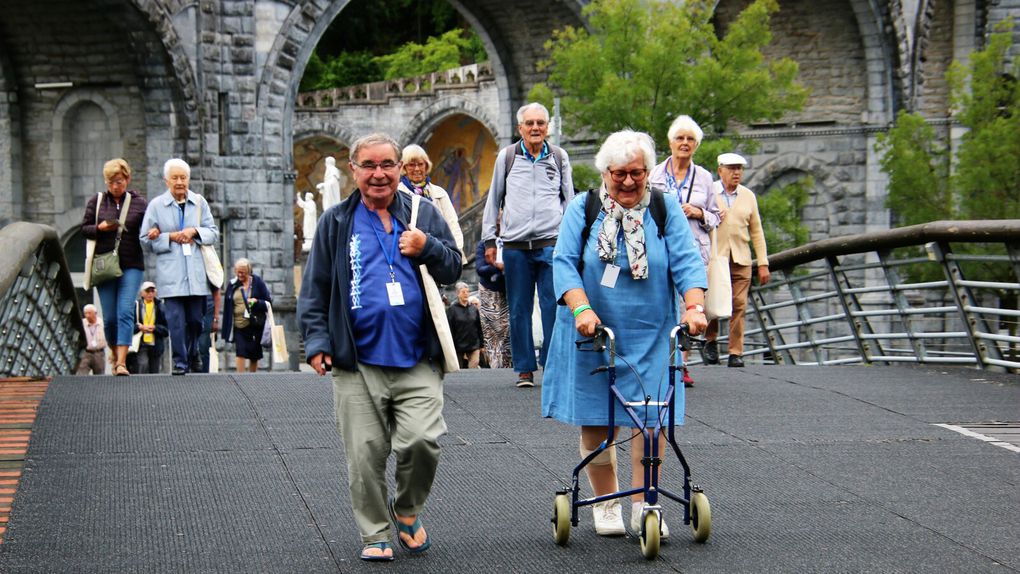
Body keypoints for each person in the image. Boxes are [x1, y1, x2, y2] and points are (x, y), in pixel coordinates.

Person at [298, 133, 461, 562]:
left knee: (423, 441)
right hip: (358, 362)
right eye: (368, 165)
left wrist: (427, 247)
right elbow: (315, 289)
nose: (379, 174)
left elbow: (454, 264)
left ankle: (407, 511)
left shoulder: (422, 212)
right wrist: (316, 342)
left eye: (387, 164)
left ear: (399, 167)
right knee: (365, 454)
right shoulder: (335, 221)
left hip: (417, 357)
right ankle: (374, 532)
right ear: (353, 170)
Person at [541, 130, 708, 538]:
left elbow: (687, 263)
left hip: (651, 331)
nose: (629, 182)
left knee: (650, 420)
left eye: (637, 173)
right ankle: (606, 504)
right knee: (598, 421)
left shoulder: (665, 210)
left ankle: (645, 505)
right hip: (593, 330)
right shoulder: (583, 209)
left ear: (649, 171)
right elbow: (563, 263)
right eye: (620, 174)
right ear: (605, 172)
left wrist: (695, 307)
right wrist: (581, 307)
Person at [481, 102, 574, 388]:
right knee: (519, 308)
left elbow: (569, 200)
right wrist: (488, 239)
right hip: (515, 245)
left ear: (548, 127)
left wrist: (572, 240)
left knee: (553, 306)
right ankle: (524, 368)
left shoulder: (559, 157)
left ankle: (551, 363)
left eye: (540, 123)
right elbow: (493, 198)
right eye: (530, 123)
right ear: (520, 128)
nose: (535, 128)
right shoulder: (507, 157)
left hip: (551, 243)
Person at [649, 115, 722, 387]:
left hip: (692, 249)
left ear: (696, 145)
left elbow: (716, 216)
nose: (684, 143)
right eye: (680, 138)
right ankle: (662, 361)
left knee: (689, 307)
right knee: (659, 304)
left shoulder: (704, 177)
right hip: (658, 247)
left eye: (690, 139)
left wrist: (698, 212)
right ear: (670, 142)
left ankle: (683, 363)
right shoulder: (654, 174)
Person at [140, 158, 220, 376]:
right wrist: (169, 236)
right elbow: (145, 239)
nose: (179, 182)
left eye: (183, 177)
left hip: (196, 273)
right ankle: (180, 362)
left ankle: (192, 351)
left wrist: (195, 232)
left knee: (195, 321)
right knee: (175, 321)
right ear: (166, 181)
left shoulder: (199, 202)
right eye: (174, 178)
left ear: (188, 179)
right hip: (171, 274)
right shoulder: (156, 206)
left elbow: (213, 232)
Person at [81, 158, 148, 376]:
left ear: (127, 179)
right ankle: (113, 350)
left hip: (131, 264)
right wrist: (99, 229)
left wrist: (154, 232)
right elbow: (85, 229)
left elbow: (148, 230)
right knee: (109, 318)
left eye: (118, 181)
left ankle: (121, 362)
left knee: (125, 311)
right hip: (105, 266)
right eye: (110, 182)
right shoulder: (97, 201)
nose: (115, 186)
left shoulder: (140, 203)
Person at [704, 153, 771, 368]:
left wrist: (763, 263)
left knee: (739, 304)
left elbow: (757, 231)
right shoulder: (710, 191)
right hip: (718, 257)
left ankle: (735, 352)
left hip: (741, 257)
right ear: (720, 169)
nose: (737, 173)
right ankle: (710, 341)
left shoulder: (748, 196)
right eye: (732, 168)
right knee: (713, 301)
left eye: (740, 169)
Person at [397, 144, 464, 254]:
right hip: (408, 255)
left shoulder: (439, 193)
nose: (417, 169)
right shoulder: (397, 193)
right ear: (404, 168)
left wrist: (456, 252)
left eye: (420, 164)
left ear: (426, 166)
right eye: (412, 165)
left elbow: (452, 224)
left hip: (439, 253)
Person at [221, 258, 273, 372]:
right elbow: (227, 305)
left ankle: (252, 379)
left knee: (254, 354)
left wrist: (256, 301)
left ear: (249, 272)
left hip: (254, 325)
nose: (240, 275)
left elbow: (268, 301)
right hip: (239, 325)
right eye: (238, 272)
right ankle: (240, 379)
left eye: (243, 272)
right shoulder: (233, 284)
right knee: (240, 352)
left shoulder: (257, 282)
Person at [474, 238, 512, 368]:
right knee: (492, 332)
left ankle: (509, 365)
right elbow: (480, 269)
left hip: (508, 291)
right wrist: (499, 267)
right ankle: (496, 366)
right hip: (488, 292)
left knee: (508, 331)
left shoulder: (512, 238)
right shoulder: (483, 244)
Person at [133, 281, 169, 374]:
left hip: (155, 344)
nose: (150, 294)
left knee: (155, 371)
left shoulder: (160, 307)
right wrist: (139, 328)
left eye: (152, 291)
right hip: (141, 344)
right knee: (142, 366)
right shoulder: (136, 306)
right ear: (142, 293)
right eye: (147, 291)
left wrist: (155, 328)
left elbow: (166, 330)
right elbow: (129, 327)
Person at [446, 281, 483, 369]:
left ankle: (472, 382)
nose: (466, 294)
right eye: (463, 292)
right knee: (459, 370)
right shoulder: (452, 310)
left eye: (467, 292)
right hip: (458, 345)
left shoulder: (473, 309)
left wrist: (482, 344)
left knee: (474, 366)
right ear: (458, 294)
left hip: (474, 344)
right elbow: (449, 329)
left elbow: (479, 326)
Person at [76, 304, 108, 375]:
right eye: (85, 313)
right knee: (81, 375)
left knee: (99, 376)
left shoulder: (103, 323)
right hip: (85, 353)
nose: (87, 315)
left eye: (89, 313)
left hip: (99, 353)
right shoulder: (82, 323)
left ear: (95, 313)